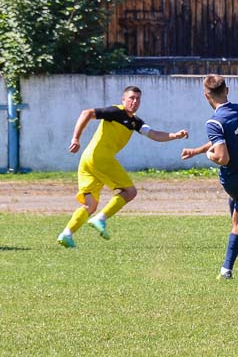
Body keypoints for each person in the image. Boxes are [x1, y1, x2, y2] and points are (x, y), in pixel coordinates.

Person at [56, 86, 189, 248]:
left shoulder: (135, 122)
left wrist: (175, 135)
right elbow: (87, 113)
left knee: (90, 205)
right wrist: (75, 138)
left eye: (138, 99)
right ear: (123, 99)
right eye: (131, 98)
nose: (134, 102)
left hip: (87, 159)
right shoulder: (116, 111)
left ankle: (66, 234)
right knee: (130, 191)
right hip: (99, 158)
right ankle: (101, 218)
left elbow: (154, 134)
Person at [181, 75, 238, 280]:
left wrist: (209, 155)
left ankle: (226, 270)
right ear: (226, 90)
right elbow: (225, 139)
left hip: (237, 183)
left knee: (237, 223)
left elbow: (221, 156)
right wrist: (196, 151)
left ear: (206, 95)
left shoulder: (214, 122)